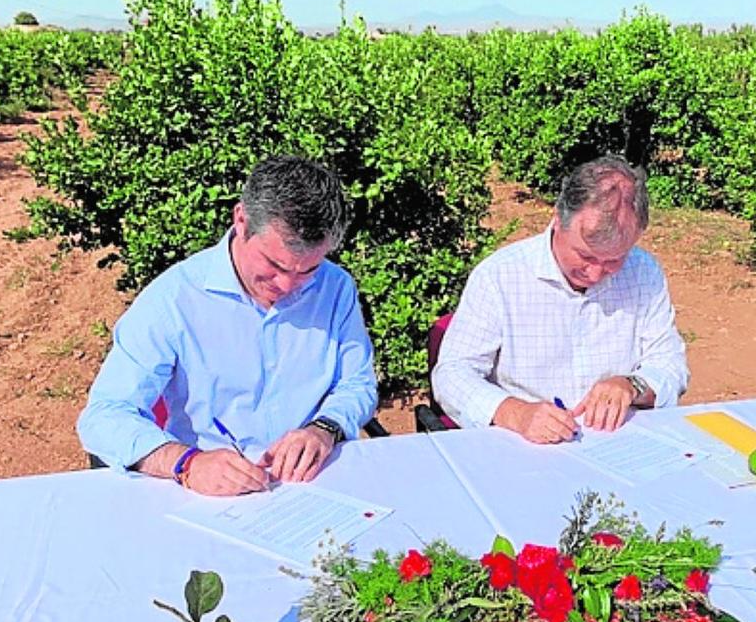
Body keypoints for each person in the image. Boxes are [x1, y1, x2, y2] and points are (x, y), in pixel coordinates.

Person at [78, 156, 378, 495]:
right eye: (274, 264)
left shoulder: (335, 287)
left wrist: (324, 429)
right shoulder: (173, 299)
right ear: (241, 220)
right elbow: (105, 416)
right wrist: (186, 463)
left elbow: (357, 384)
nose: (286, 285)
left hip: (315, 486)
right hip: (207, 494)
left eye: (307, 271)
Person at [432, 155, 688, 444]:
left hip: (617, 442)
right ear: (557, 219)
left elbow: (670, 363)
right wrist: (516, 413)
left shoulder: (644, 272)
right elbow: (452, 374)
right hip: (522, 445)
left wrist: (632, 385)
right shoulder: (500, 276)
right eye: (585, 255)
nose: (595, 274)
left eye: (614, 260)